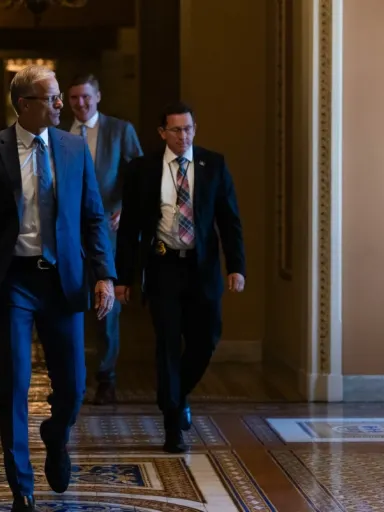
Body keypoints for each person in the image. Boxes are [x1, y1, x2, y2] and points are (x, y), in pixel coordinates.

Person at [0, 65, 116, 512]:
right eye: (52, 98)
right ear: (24, 105)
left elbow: (93, 217)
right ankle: (20, 485)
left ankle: (56, 437)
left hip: (63, 280)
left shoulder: (73, 147)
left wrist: (104, 275)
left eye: (61, 97)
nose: (62, 105)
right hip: (13, 281)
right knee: (15, 383)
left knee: (74, 386)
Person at [114, 101, 245, 453]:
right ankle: (173, 424)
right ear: (162, 133)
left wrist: (236, 267)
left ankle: (176, 394)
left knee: (206, 340)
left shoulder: (213, 165)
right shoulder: (142, 169)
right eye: (176, 130)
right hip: (163, 267)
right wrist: (122, 278)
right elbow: (128, 229)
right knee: (168, 345)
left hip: (201, 269)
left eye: (188, 129)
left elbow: (229, 220)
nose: (183, 136)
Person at [67, 73, 143, 404]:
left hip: (107, 235)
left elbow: (139, 178)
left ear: (98, 96)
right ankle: (72, 376)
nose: (80, 104)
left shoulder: (120, 130)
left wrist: (126, 209)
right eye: (74, 99)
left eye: (86, 97)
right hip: (69, 234)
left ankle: (106, 377)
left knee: (107, 310)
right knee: (69, 304)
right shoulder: (58, 134)